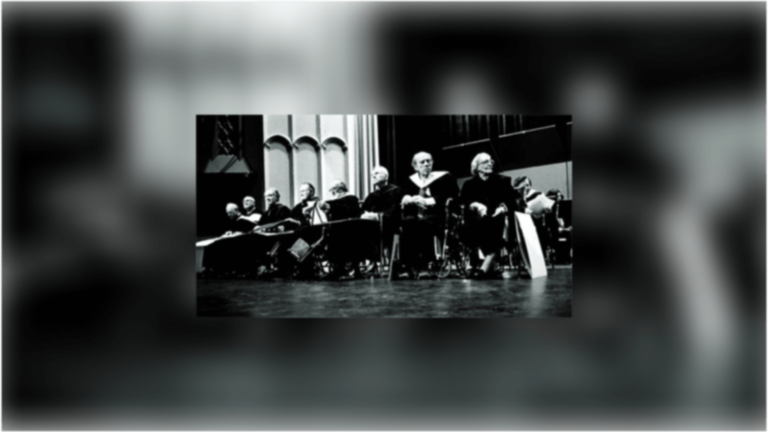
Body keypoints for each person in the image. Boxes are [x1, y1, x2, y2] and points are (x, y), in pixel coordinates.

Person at [400, 152, 459, 274]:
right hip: (417, 214)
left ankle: (426, 263)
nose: (426, 164)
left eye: (429, 161)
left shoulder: (445, 177)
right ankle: (410, 263)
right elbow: (404, 193)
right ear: (415, 166)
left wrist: (428, 201)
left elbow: (452, 195)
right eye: (422, 162)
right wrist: (406, 197)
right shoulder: (411, 180)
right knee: (407, 222)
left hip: (440, 215)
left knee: (423, 223)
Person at [459, 153, 515, 278]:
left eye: (491, 161)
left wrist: (502, 207)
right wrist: (475, 205)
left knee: (492, 222)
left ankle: (485, 263)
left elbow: (511, 199)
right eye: (485, 162)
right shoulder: (469, 184)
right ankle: (490, 260)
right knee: (474, 224)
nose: (490, 164)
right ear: (476, 166)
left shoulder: (503, 180)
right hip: (476, 217)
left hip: (497, 215)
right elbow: (463, 200)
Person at [361, 166, 404, 250]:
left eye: (376, 173)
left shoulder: (395, 190)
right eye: (372, 175)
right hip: (371, 223)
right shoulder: (372, 195)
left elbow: (394, 211)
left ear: (386, 176)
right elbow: (363, 210)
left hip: (389, 223)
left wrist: (377, 216)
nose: (373, 176)